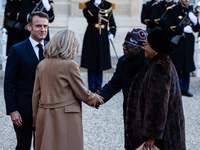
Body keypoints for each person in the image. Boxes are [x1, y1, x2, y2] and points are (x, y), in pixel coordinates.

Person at [32, 28, 104, 150]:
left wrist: (35, 119)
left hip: (44, 114)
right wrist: (95, 99)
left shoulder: (42, 64)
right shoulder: (69, 65)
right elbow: (81, 92)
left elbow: (36, 95)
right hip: (65, 116)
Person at [126, 27, 186, 150]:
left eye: (146, 44)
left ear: (155, 48)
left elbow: (157, 105)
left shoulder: (159, 68)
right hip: (168, 133)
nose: (144, 47)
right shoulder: (162, 63)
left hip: (162, 139)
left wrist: (151, 136)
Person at [4, 11, 49, 150]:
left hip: (46, 109)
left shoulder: (51, 49)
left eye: (45, 26)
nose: (43, 30)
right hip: (23, 110)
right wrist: (13, 110)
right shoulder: (17, 50)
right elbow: (9, 82)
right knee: (23, 146)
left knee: (42, 146)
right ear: (29, 27)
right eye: (38, 26)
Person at [99, 28, 148, 150]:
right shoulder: (123, 61)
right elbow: (114, 84)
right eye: (124, 45)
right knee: (130, 144)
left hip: (147, 113)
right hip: (129, 111)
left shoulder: (149, 64)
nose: (124, 48)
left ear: (139, 48)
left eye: (129, 46)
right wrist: (97, 97)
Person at [165, 0, 200, 97]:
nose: (186, 0)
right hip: (178, 41)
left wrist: (195, 21)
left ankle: (185, 88)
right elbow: (169, 25)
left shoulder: (191, 10)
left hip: (188, 41)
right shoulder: (173, 10)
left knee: (187, 64)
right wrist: (182, 29)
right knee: (178, 64)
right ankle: (177, 88)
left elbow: (196, 29)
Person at [80, 0, 117, 93]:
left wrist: (112, 34)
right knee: (91, 61)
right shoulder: (88, 4)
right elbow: (87, 16)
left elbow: (112, 24)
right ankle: (92, 86)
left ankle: (98, 86)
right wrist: (95, 5)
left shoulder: (108, 5)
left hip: (103, 36)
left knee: (101, 61)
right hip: (91, 35)